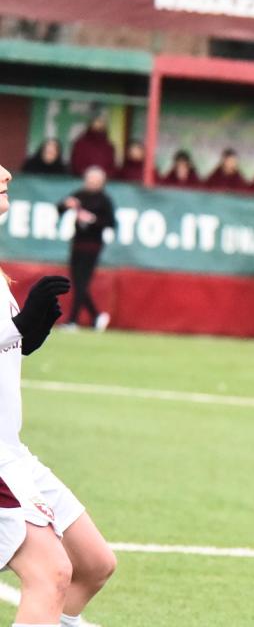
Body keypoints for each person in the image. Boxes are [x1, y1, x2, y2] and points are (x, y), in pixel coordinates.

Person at [1, 162, 118, 627]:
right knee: (51, 574)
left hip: (11, 452)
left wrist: (24, 338)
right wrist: (14, 332)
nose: (5, 173)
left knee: (94, 564)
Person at [56, 168, 116, 331]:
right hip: (77, 243)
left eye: (95, 180)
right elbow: (59, 208)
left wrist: (91, 219)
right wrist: (66, 204)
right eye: (89, 179)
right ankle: (96, 316)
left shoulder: (104, 200)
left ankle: (73, 320)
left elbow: (111, 223)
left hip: (93, 245)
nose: (91, 183)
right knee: (77, 282)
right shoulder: (79, 195)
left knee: (82, 282)